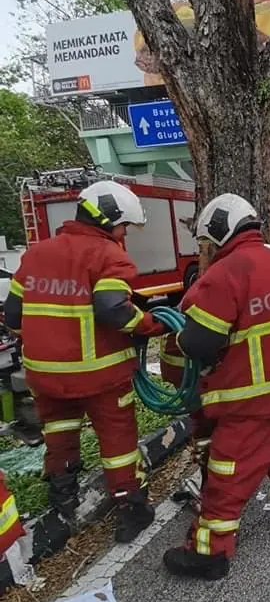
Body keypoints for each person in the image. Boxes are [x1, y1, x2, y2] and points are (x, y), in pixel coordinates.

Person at [4, 181, 166, 543]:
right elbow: (113, 310)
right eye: (124, 226)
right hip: (100, 376)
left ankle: (63, 499)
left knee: (59, 434)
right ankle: (132, 509)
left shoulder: (36, 254)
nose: (125, 234)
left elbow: (13, 315)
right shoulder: (109, 256)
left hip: (45, 376)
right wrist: (151, 325)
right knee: (117, 441)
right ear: (109, 221)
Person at [162, 193, 270, 580]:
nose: (205, 251)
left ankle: (209, 553)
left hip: (249, 400)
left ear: (217, 233)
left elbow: (199, 343)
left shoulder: (227, 273)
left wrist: (174, 338)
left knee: (227, 472)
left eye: (205, 244)